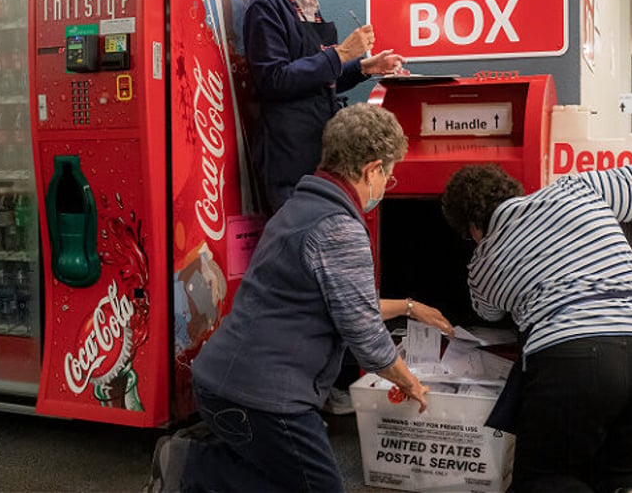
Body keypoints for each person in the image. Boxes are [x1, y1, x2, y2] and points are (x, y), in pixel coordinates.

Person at [148, 104, 430, 493]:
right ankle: (193, 466)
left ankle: (205, 464)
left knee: (281, 476)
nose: (385, 187)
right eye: (389, 176)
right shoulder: (340, 228)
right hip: (263, 399)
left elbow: (344, 304)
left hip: (221, 380)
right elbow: (364, 334)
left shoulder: (300, 206)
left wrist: (411, 306)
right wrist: (412, 382)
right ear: (371, 170)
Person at [440, 163, 632, 493]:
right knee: (621, 478)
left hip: (574, 355)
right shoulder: (577, 189)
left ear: (472, 227)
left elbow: (488, 313)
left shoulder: (483, 263)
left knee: (545, 479)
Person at [243, 0, 405, 214]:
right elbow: (274, 79)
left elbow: (319, 79)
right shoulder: (268, 3)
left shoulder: (312, 10)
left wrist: (363, 67)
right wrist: (342, 53)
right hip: (287, 154)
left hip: (321, 150)